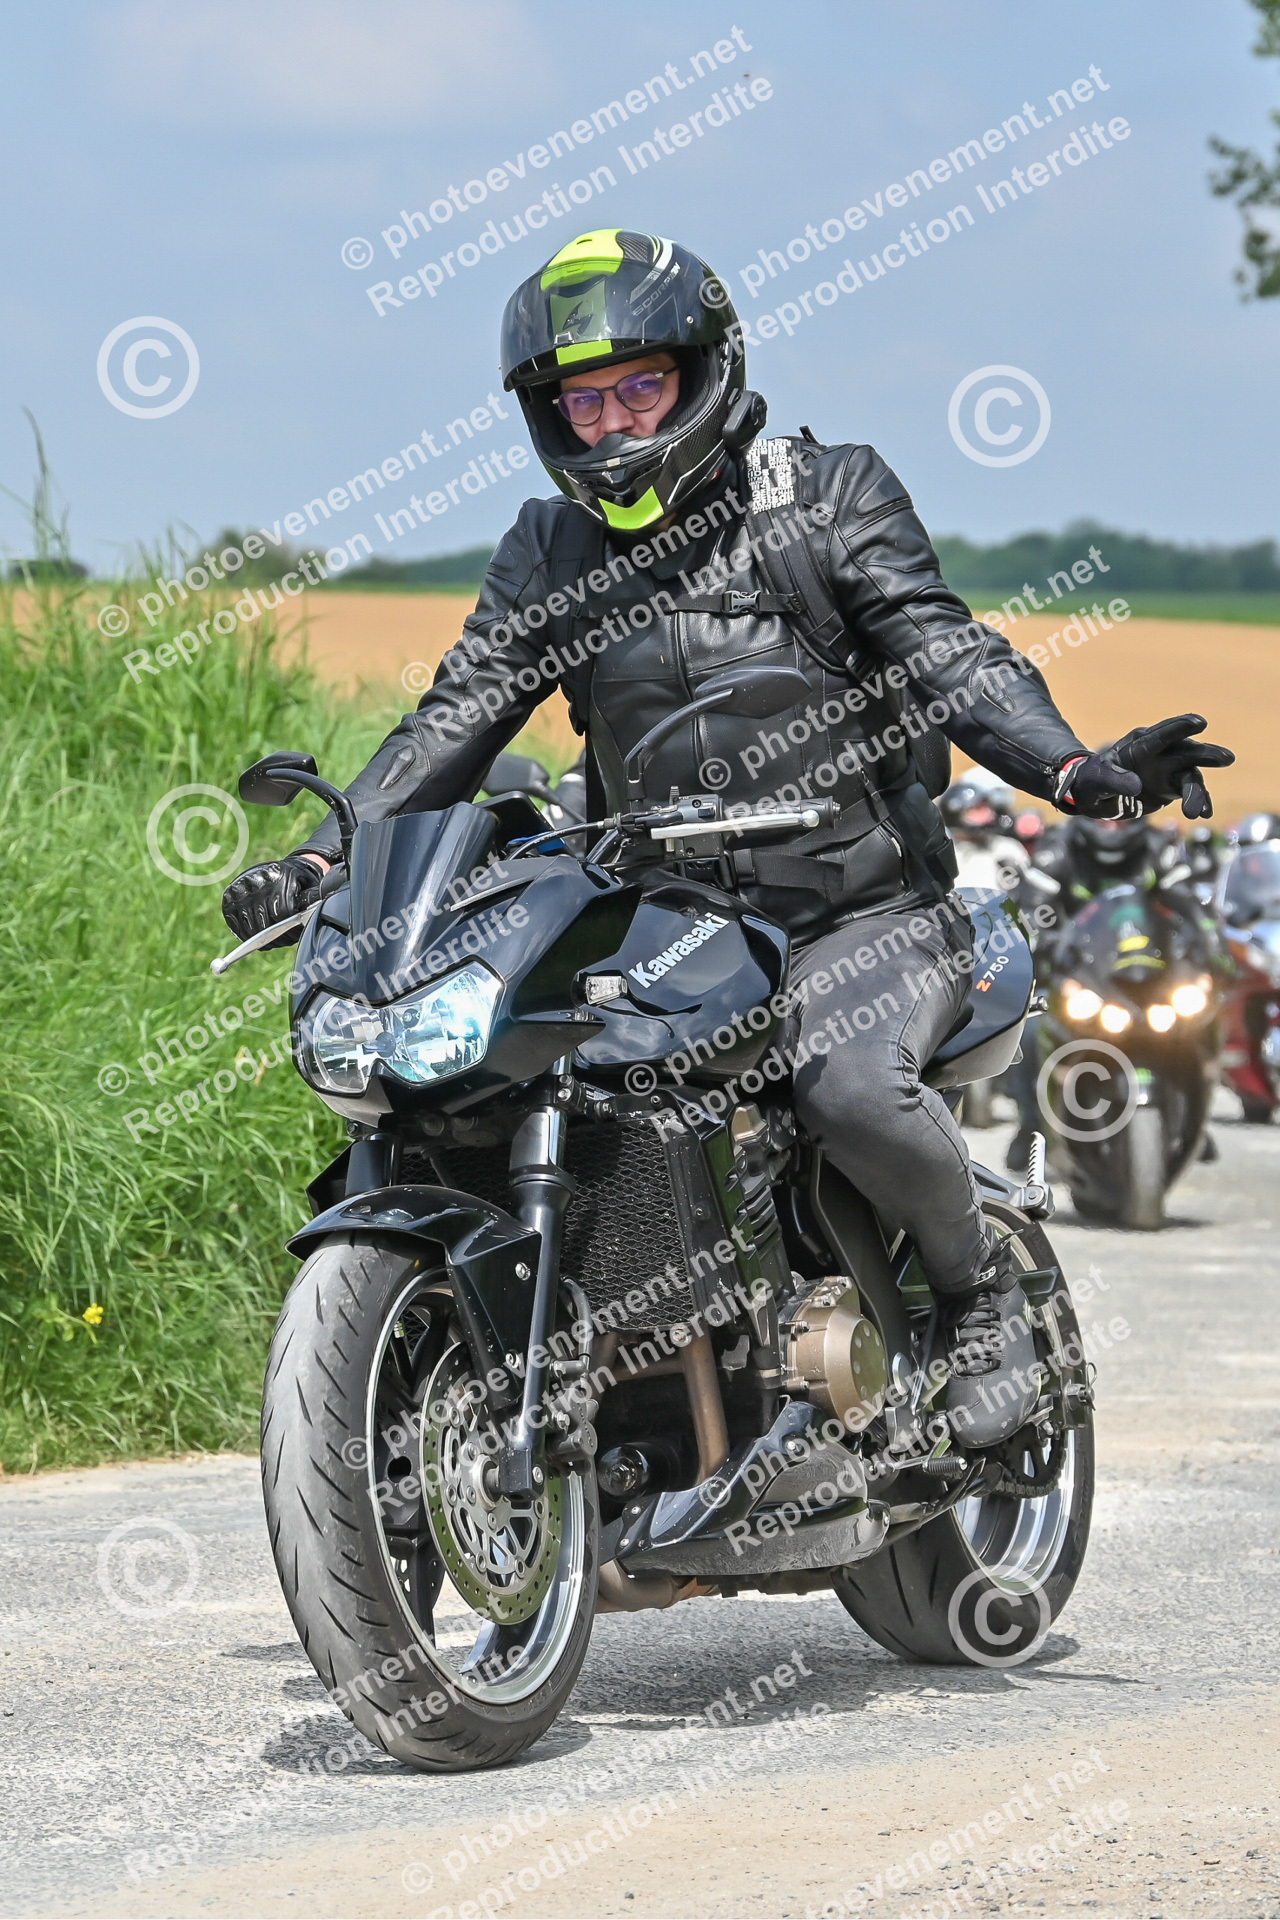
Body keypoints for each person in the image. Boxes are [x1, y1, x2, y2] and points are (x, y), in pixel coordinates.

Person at [223, 229, 1232, 1418]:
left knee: (847, 1087)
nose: (611, 423)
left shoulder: (827, 497)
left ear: (704, 372)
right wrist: (328, 856)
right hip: (667, 918)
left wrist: (1069, 768)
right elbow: (456, 719)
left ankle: (979, 1307)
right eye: (581, 401)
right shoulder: (552, 549)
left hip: (858, 912)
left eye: (637, 387)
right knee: (533, 1068)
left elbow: (946, 653)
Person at [1006, 810, 1227, 1170]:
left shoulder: (1159, 848)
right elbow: (1030, 912)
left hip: (1151, 971)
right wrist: (1039, 944)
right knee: (1030, 1031)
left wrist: (1211, 941)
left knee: (1204, 1016)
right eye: (1103, 816)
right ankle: (1032, 1126)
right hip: (1078, 971)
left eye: (1120, 818)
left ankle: (1193, 1114)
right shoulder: (1056, 851)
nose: (1111, 826)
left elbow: (1190, 903)